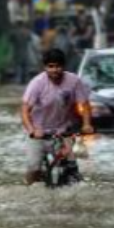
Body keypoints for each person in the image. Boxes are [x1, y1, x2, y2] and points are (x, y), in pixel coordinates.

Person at [21, 48, 94, 185]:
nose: (55, 70)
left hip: (63, 131)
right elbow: (25, 110)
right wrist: (32, 130)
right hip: (38, 132)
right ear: (45, 67)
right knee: (34, 167)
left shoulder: (74, 81)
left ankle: (71, 185)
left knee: (70, 166)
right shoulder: (37, 83)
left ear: (63, 66)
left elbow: (85, 105)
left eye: (58, 66)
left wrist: (86, 124)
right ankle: (29, 187)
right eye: (51, 66)